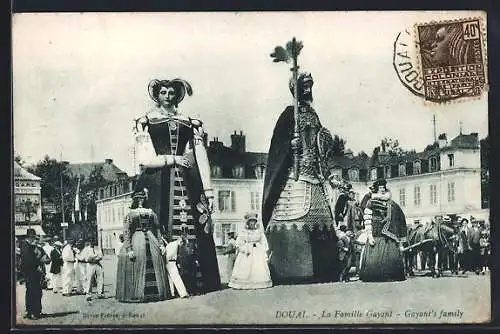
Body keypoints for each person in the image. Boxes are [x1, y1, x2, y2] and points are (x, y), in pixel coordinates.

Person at [133, 78, 221, 294]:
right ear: (157, 95)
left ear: (178, 95)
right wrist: (171, 159)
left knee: (196, 222)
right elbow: (144, 158)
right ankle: (160, 286)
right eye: (163, 92)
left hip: (188, 179)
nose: (168, 96)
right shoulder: (146, 120)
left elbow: (200, 154)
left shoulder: (190, 122)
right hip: (157, 179)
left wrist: (208, 189)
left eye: (172, 92)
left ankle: (197, 282)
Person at [262, 72, 342, 284]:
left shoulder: (314, 115)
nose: (307, 91)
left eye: (309, 87)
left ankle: (324, 270)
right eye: (303, 87)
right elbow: (279, 147)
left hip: (314, 176)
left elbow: (321, 145)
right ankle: (291, 271)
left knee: (323, 221)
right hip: (293, 177)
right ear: (295, 90)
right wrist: (291, 146)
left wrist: (327, 170)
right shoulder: (289, 114)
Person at [115, 189, 170, 303]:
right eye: (138, 198)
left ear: (145, 199)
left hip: (151, 239)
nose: (141, 200)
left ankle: (156, 293)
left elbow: (157, 228)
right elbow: (126, 231)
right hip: (137, 240)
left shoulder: (151, 212)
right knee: (136, 261)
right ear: (135, 200)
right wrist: (129, 248)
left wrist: (160, 244)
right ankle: (137, 293)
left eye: (142, 198)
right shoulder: (131, 214)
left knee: (155, 260)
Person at [359, 179, 407, 282]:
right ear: (376, 189)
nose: (382, 189)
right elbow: (367, 219)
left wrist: (401, 241)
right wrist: (369, 235)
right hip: (376, 235)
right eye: (380, 188)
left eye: (383, 187)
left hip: (389, 237)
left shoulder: (393, 205)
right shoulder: (371, 202)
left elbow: (401, 220)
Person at [229, 213, 272, 290]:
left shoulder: (259, 232)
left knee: (258, 266)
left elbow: (264, 242)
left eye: (254, 221)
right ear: (248, 223)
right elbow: (239, 243)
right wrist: (244, 249)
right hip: (247, 251)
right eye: (251, 221)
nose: (252, 223)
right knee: (245, 266)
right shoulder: (244, 232)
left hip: (257, 251)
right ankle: (243, 283)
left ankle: (259, 283)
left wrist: (262, 249)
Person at [19, 228, 50, 320]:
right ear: (30, 237)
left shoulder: (32, 246)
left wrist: (42, 259)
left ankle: (36, 311)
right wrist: (38, 262)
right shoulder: (25, 245)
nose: (34, 240)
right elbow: (28, 261)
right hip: (30, 272)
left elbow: (44, 258)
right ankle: (32, 312)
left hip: (35, 273)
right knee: (32, 292)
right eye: (33, 237)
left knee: (36, 292)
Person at [163, 231, 189, 298]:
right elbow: (169, 255)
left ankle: (172, 293)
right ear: (181, 242)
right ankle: (183, 293)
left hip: (169, 262)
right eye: (182, 244)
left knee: (171, 279)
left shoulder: (172, 244)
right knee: (176, 277)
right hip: (170, 262)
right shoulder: (174, 245)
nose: (182, 246)